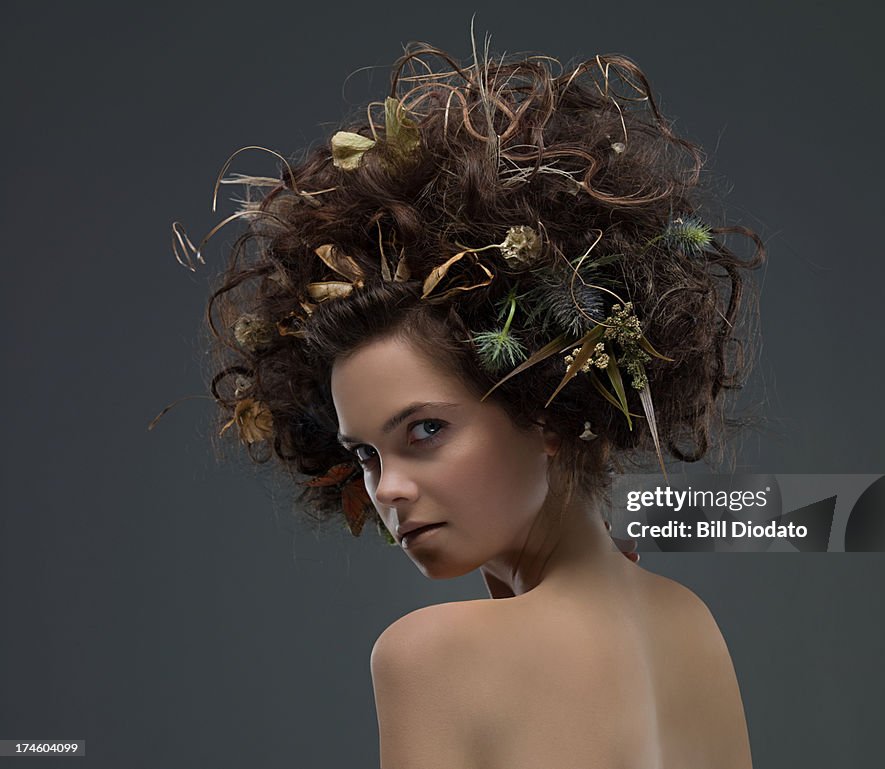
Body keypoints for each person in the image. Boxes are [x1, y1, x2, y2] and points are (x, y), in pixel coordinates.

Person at [178, 40, 763, 769]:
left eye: (425, 429)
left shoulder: (429, 656)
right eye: (364, 453)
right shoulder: (690, 623)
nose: (386, 487)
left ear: (546, 408)